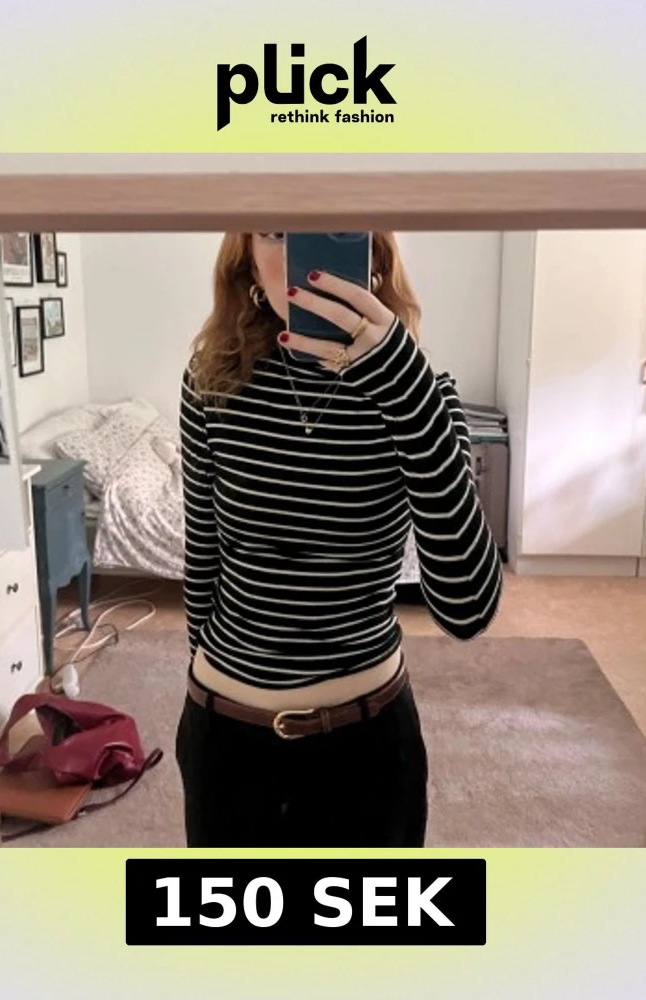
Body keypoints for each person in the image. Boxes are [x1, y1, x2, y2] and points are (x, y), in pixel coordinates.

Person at [176, 231, 504, 848]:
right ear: (245, 255)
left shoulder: (422, 393)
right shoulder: (209, 382)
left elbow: (468, 612)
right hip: (223, 740)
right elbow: (203, 559)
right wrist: (211, 697)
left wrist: (407, 393)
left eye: (330, 228)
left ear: (372, 251)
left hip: (368, 750)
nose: (298, 259)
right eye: (275, 232)